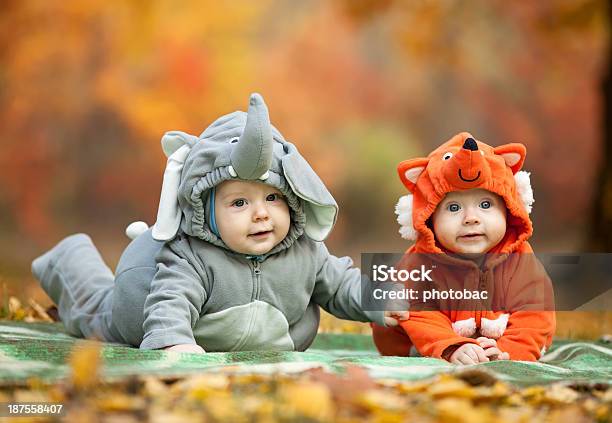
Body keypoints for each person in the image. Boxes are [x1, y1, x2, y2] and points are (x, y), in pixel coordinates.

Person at [32, 93, 404, 353]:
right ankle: (69, 257)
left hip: (259, 339)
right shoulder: (191, 255)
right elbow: (170, 299)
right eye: (239, 202)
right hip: (140, 305)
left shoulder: (306, 250)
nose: (261, 213)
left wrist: (384, 298)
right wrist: (173, 342)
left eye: (273, 198)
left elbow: (342, 283)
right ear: (207, 212)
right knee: (93, 312)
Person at [371, 132, 555, 364]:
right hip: (416, 346)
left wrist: (508, 353)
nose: (470, 218)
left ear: (509, 210)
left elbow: (535, 314)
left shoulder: (521, 261)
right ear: (429, 218)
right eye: (454, 207)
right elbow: (416, 310)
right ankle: (428, 355)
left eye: (485, 204)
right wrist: (451, 346)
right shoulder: (418, 263)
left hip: (498, 343)